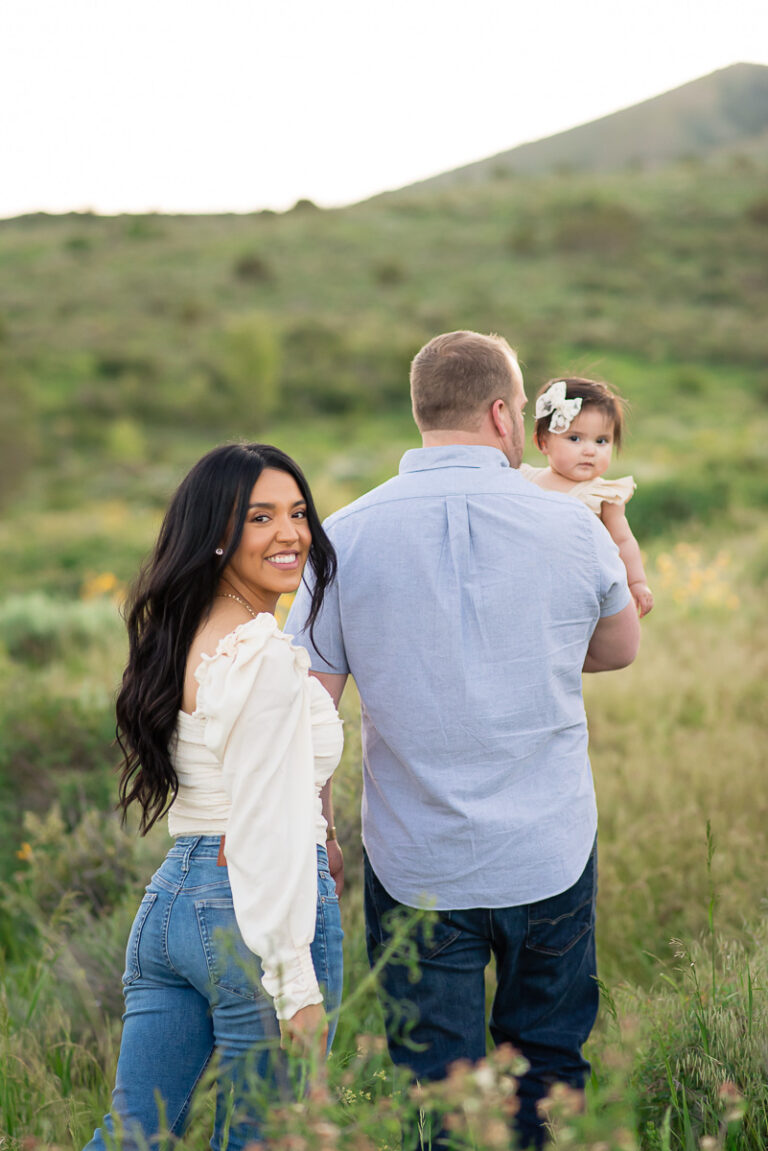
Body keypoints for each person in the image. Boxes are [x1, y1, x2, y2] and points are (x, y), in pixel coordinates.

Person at [286, 331, 640, 1149]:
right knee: (549, 1066)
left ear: (423, 413)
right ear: (501, 414)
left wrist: (319, 830)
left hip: (419, 863)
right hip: (549, 847)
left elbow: (305, 711)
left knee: (439, 1086)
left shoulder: (343, 537)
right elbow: (619, 648)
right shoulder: (571, 527)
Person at [84, 443, 344, 1151]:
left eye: (298, 513)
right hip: (250, 910)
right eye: (261, 517)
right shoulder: (257, 653)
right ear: (218, 533)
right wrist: (297, 987)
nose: (290, 534)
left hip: (173, 902)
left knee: (135, 1135)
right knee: (265, 1136)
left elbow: (248, 782)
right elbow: (259, 826)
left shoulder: (190, 632)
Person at [520, 376, 654, 617]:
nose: (590, 450)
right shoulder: (526, 479)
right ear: (543, 442)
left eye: (602, 441)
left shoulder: (602, 495)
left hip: (578, 592)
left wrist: (636, 583)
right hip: (529, 586)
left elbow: (623, 541)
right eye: (575, 438)